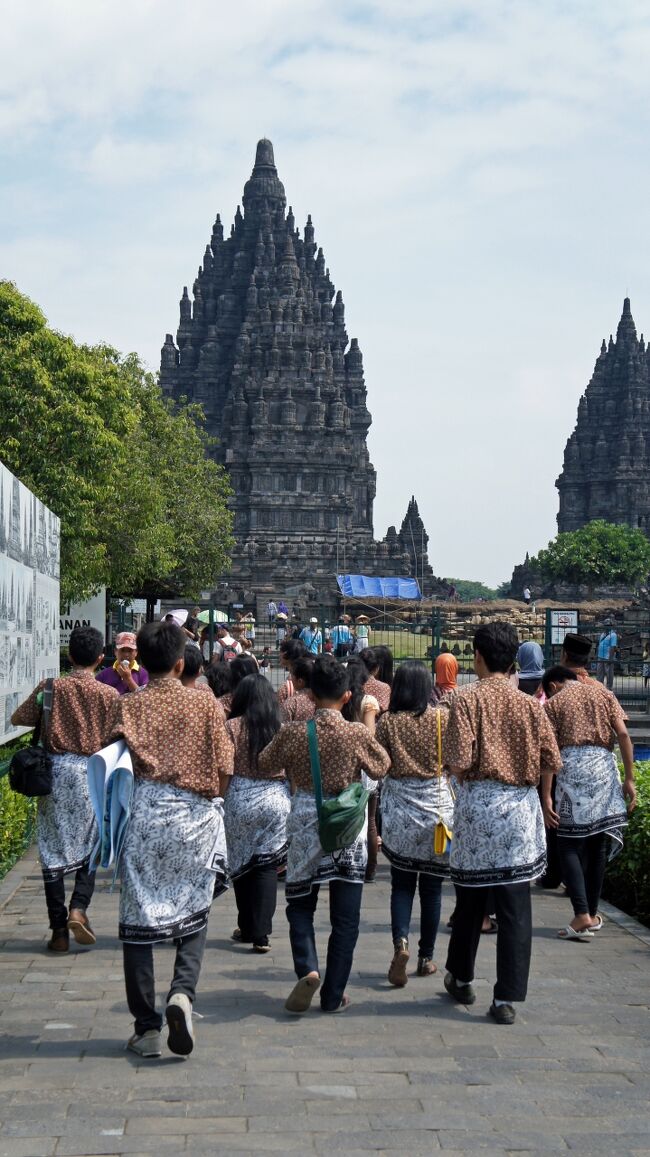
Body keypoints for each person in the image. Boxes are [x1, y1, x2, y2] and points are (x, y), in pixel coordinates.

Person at [107, 621, 233, 1058]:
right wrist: (214, 801)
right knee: (194, 907)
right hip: (194, 817)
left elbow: (110, 764)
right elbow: (225, 767)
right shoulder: (205, 705)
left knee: (138, 921)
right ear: (181, 663)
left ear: (142, 659)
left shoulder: (129, 705)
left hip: (144, 815)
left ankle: (146, 1029)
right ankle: (182, 992)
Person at [442, 622, 562, 1025]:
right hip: (519, 811)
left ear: (476, 657)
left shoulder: (466, 699)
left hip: (478, 808)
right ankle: (506, 997)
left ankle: (460, 976)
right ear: (512, 660)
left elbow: (458, 761)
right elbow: (551, 757)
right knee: (514, 906)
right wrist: (543, 795)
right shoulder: (530, 704)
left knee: (471, 900)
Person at [258, 655, 390, 1014]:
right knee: (345, 919)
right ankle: (333, 995)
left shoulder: (292, 732)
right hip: (346, 825)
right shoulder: (356, 733)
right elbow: (381, 766)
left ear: (310, 694)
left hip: (304, 818)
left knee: (300, 903)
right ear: (347, 696)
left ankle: (308, 968)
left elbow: (265, 763)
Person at [11, 626, 118, 952]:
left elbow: (20, 717)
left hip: (53, 774)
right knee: (91, 844)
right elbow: (117, 737)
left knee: (52, 849)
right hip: (91, 774)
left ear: (69, 655)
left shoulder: (51, 688)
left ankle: (58, 931)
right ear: (101, 659)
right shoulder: (109, 696)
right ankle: (78, 908)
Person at [543, 664, 637, 940]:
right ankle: (592, 915)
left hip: (572, 772)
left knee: (568, 844)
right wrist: (629, 778)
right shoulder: (603, 695)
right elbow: (622, 734)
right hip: (603, 770)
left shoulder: (554, 704)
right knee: (598, 843)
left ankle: (582, 913)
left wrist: (546, 795)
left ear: (553, 686)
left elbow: (549, 753)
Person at [376, 662, 454, 985]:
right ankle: (426, 958)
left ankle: (401, 944)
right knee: (433, 889)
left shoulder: (388, 722)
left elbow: (379, 761)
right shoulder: (441, 718)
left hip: (400, 813)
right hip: (436, 813)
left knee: (402, 884)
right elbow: (453, 759)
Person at [224, 675, 290, 952]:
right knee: (266, 866)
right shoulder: (282, 727)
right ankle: (262, 933)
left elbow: (225, 767)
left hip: (239, 797)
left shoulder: (232, 727)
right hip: (275, 797)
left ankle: (247, 925)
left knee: (240, 863)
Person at [280, 656, 315, 722]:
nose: (290, 678)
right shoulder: (320, 700)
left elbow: (283, 729)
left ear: (300, 681)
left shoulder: (291, 704)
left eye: (292, 675)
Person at [277, 638, 308, 706]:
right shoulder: (306, 679)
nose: (279, 655)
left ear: (285, 653)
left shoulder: (286, 687)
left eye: (280, 651)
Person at [596, 621, 618, 690]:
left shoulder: (613, 635)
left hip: (608, 657)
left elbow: (612, 647)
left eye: (607, 625)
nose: (606, 627)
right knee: (599, 673)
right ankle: (599, 687)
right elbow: (600, 644)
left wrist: (610, 658)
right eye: (605, 625)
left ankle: (609, 688)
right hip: (600, 656)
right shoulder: (602, 634)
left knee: (609, 673)